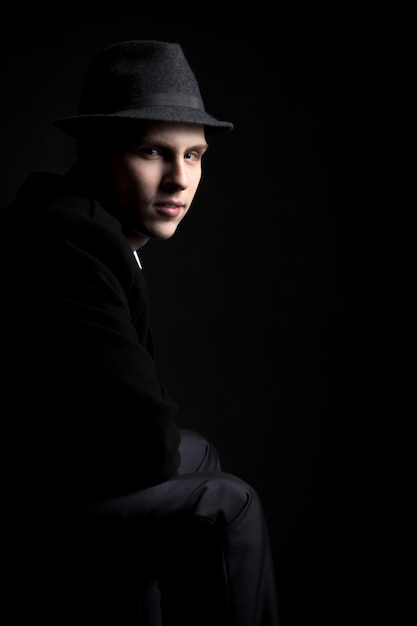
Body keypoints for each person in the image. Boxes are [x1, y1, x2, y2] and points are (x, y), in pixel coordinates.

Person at [0, 40, 280, 625]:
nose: (179, 180)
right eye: (154, 151)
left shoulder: (88, 227)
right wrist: (144, 435)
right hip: (31, 499)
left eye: (195, 155)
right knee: (230, 502)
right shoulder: (71, 241)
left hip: (56, 464)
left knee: (200, 452)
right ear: (98, 151)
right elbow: (145, 440)